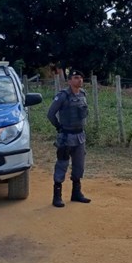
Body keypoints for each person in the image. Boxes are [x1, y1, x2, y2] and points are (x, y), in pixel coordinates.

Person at [46, 69, 91, 207]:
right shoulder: (63, 96)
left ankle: (76, 193)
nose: (79, 80)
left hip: (80, 136)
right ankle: (57, 196)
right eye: (76, 77)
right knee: (62, 164)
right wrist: (59, 127)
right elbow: (50, 114)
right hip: (66, 136)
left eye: (81, 77)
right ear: (69, 80)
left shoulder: (83, 94)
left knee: (79, 165)